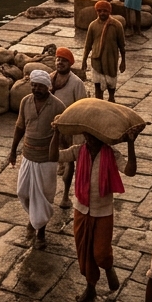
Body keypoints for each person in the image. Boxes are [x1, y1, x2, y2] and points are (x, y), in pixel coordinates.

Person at [54, 131, 137, 302]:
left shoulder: (111, 153)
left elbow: (130, 171)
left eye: (94, 136)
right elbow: (53, 155)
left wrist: (130, 143)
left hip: (103, 211)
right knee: (84, 253)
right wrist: (55, 133)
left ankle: (108, 266)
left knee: (100, 253)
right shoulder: (78, 150)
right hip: (81, 209)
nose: (90, 139)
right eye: (87, 135)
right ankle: (90, 288)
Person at [10, 70, 65, 248]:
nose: (35, 88)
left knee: (44, 196)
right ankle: (34, 218)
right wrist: (12, 151)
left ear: (47, 87)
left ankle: (40, 233)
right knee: (23, 192)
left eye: (39, 86)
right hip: (28, 155)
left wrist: (64, 158)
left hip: (47, 158)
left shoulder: (58, 106)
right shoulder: (25, 101)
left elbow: (64, 135)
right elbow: (19, 127)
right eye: (33, 85)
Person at [51, 47, 89, 206]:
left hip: (70, 128)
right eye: (58, 59)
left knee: (69, 162)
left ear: (70, 64)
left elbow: (83, 106)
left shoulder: (76, 83)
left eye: (64, 60)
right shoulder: (50, 78)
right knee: (50, 161)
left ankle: (65, 196)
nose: (60, 63)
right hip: (53, 127)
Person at [84, 0, 126, 102]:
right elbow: (88, 45)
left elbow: (122, 45)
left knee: (111, 84)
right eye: (100, 11)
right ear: (96, 12)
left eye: (105, 11)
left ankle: (111, 99)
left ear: (109, 11)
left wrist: (123, 62)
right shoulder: (93, 25)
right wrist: (84, 60)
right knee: (97, 85)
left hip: (111, 60)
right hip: (96, 60)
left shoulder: (116, 25)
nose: (102, 13)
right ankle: (99, 104)